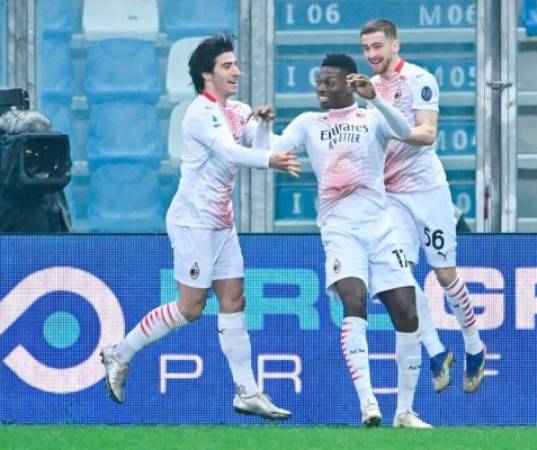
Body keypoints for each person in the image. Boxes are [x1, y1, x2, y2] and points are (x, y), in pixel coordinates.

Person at [100, 34, 299, 420]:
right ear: (207, 74)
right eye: (227, 65)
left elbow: (259, 142)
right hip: (193, 220)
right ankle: (119, 354)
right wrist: (270, 159)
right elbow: (229, 151)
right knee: (191, 308)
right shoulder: (199, 113)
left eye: (236, 64)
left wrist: (263, 127)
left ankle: (247, 391)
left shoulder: (237, 109)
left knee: (234, 299)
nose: (236, 71)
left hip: (221, 221)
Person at [270, 54, 422, 428]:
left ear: (348, 82)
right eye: (318, 82)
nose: (321, 88)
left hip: (381, 229)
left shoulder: (371, 117)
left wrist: (376, 98)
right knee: (354, 301)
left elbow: (407, 132)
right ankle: (368, 404)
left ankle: (405, 411)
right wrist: (260, 127)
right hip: (340, 228)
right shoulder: (309, 123)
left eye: (328, 82)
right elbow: (274, 147)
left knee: (408, 314)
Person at [360, 20, 486, 406]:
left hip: (427, 191)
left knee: (446, 276)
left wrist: (380, 108)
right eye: (365, 49)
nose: (372, 55)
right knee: (395, 278)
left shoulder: (419, 79)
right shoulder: (368, 89)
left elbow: (427, 133)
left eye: (377, 46)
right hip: (392, 195)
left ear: (395, 44)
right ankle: (435, 351)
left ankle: (475, 346)